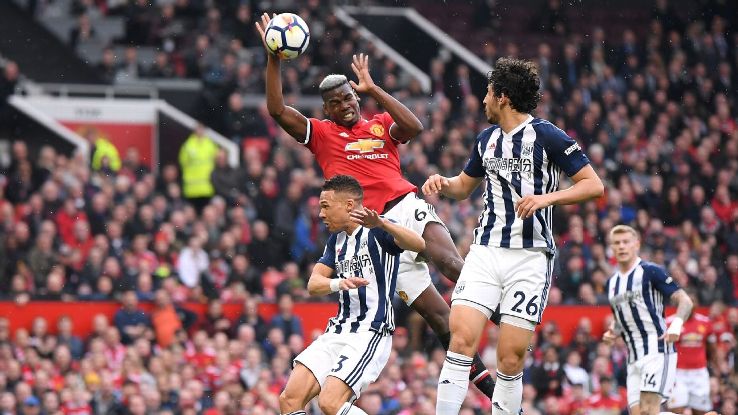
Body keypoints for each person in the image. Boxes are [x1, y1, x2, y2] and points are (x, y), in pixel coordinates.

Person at [255, 13, 496, 398]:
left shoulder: (381, 123)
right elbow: (277, 110)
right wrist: (272, 57)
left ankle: (503, 317)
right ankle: (493, 391)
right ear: (327, 109)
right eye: (336, 103)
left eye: (349, 98)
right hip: (372, 234)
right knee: (438, 318)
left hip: (404, 207)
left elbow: (414, 128)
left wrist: (375, 88)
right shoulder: (321, 134)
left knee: (450, 263)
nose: (346, 107)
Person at [421, 57, 604, 415]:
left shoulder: (547, 135)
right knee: (460, 340)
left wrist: (546, 198)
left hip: (530, 257)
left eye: (488, 93)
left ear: (502, 96)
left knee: (510, 357)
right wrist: (443, 184)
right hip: (486, 251)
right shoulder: (485, 140)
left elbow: (593, 185)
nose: (483, 101)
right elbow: (463, 187)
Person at [278, 175, 426, 415]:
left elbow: (419, 244)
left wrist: (383, 223)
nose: (321, 214)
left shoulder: (378, 231)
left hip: (370, 331)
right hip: (337, 330)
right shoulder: (336, 241)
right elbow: (313, 284)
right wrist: (339, 283)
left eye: (325, 206)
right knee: (289, 399)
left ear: (348, 205)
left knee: (329, 403)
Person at [602, 225, 694, 415]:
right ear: (611, 248)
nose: (621, 246)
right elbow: (621, 316)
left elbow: (685, 300)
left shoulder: (650, 271)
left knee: (648, 411)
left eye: (626, 242)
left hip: (657, 349)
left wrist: (676, 324)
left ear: (637, 244)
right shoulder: (612, 283)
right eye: (617, 243)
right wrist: (613, 331)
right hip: (633, 356)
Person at [665, 293, 714, 415]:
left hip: (699, 373)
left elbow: (711, 348)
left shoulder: (705, 322)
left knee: (701, 411)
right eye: (686, 302)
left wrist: (713, 366)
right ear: (679, 305)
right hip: (677, 373)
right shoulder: (669, 322)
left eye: (693, 302)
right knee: (676, 411)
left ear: (697, 304)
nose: (690, 305)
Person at [178, 123, 218, 213]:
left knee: (206, 213)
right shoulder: (188, 145)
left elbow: (216, 162)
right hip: (191, 189)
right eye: (198, 129)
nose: (200, 131)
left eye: (202, 129)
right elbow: (182, 162)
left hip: (207, 188)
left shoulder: (210, 145)